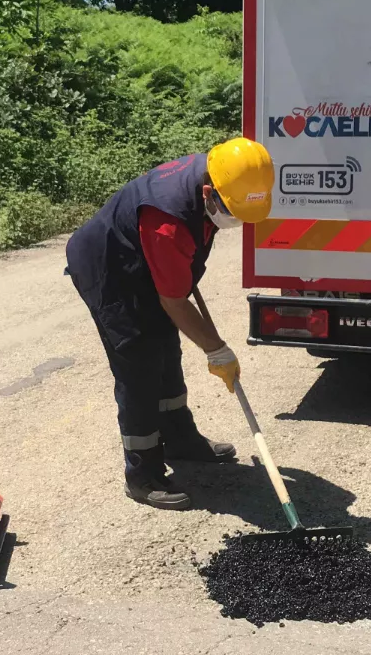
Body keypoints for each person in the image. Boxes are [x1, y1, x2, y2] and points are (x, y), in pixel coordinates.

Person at [65, 138, 274, 510]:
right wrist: (217, 349)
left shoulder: (224, 173)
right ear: (209, 191)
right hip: (111, 270)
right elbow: (174, 301)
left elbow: (175, 290)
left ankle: (180, 440)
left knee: (166, 346)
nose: (235, 222)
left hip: (147, 264)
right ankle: (142, 473)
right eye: (232, 213)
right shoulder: (168, 221)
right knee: (140, 363)